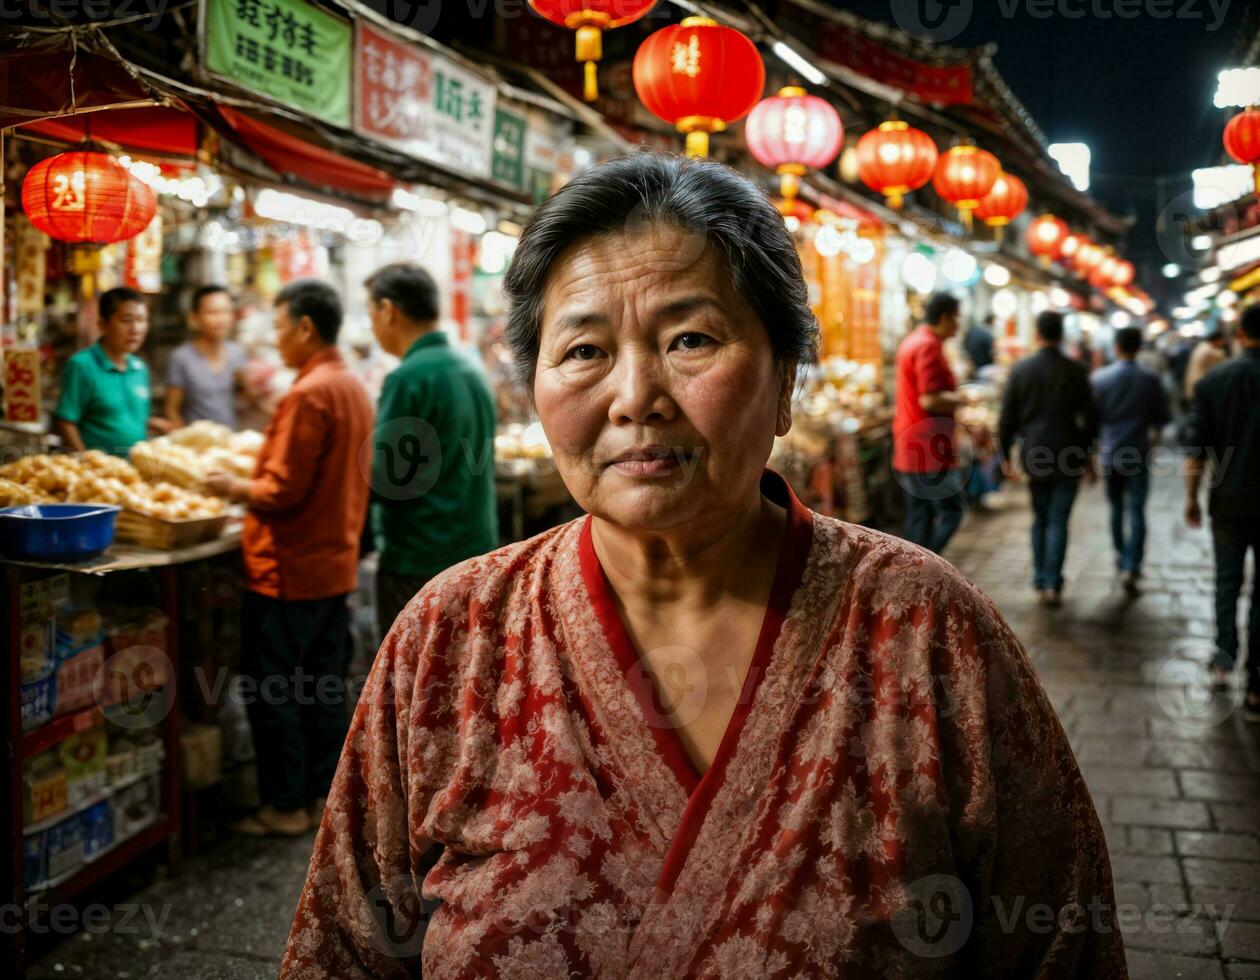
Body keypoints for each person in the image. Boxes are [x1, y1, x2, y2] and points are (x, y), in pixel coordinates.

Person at [280, 153, 1121, 978]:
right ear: (535, 383)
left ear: (786, 378)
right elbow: (343, 948)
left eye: (691, 339)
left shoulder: (928, 634)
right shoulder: (451, 638)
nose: (635, 396)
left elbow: (1062, 949)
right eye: (583, 351)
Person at [204, 281, 374, 836]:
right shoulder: (349, 384)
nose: (276, 340)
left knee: (276, 692)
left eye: (279, 328)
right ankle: (324, 797)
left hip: (288, 570)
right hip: (332, 565)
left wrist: (230, 485)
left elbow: (281, 490)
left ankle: (284, 806)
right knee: (323, 688)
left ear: (305, 328)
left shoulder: (309, 393)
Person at [363, 263, 498, 638]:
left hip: (420, 558)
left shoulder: (408, 378)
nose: (373, 326)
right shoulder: (470, 368)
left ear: (388, 310)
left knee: (414, 679)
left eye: (371, 312)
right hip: (476, 549)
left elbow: (389, 480)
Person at [1184, 303, 1260, 718]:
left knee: (1227, 581)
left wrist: (1191, 497)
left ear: (1240, 334)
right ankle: (1256, 686)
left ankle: (1222, 659)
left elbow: (1197, 449)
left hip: (1228, 500)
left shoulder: (1215, 381)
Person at [999, 310, 1100, 606]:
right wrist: (1089, 456)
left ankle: (1041, 578)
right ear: (1061, 335)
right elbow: (1090, 418)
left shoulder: (1021, 370)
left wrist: (1005, 455)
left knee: (1040, 518)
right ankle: (1053, 582)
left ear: (1037, 334)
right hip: (1070, 453)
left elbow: (1007, 417)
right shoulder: (1076, 370)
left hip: (1035, 453)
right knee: (1059, 520)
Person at [1090, 327, 1171, 593]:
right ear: (1139, 347)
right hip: (1138, 451)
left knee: (1116, 508)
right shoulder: (1151, 379)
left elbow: (1093, 419)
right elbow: (1162, 417)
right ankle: (1132, 565)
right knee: (1137, 509)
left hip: (1111, 451)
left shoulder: (1100, 378)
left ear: (1117, 346)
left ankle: (1120, 554)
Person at [891, 292, 967, 555]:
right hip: (928, 446)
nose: (958, 325)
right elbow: (930, 400)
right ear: (945, 317)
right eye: (956, 318)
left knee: (919, 516)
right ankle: (926, 566)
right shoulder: (928, 346)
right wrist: (962, 399)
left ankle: (911, 575)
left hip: (912, 443)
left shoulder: (913, 341)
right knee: (952, 511)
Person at [54, 286, 167, 455]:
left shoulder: (140, 368)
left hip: (133, 474)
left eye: (142, 320)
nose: (135, 329)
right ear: (103, 324)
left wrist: (151, 424)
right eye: (126, 320)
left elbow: (121, 416)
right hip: (97, 476)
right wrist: (86, 461)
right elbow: (65, 421)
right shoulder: (82, 365)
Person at [165, 284, 249, 428]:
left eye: (226, 311)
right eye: (213, 312)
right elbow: (172, 410)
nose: (221, 319)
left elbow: (245, 401)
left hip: (229, 442)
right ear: (195, 317)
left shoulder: (237, 353)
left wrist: (246, 385)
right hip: (196, 444)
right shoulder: (182, 358)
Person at [1184, 327, 1230, 401]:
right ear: (1218, 340)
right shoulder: (1210, 351)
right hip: (1201, 386)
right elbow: (1223, 362)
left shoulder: (1202, 346)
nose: (1223, 343)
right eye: (1222, 340)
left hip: (1195, 385)